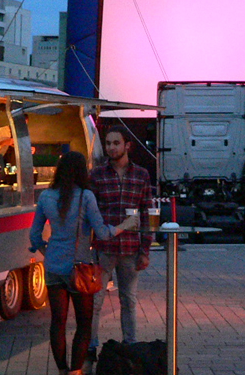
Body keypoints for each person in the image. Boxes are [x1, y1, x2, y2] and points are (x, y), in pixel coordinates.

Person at [29, 151, 138, 375]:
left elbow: (34, 235)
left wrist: (46, 251)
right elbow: (102, 232)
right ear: (81, 171)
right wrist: (126, 224)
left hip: (53, 268)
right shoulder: (86, 196)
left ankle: (61, 369)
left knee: (57, 322)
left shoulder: (45, 197)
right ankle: (76, 371)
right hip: (79, 269)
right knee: (84, 323)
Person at [86, 125, 153, 373]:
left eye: (116, 143)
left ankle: (131, 346)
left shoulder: (142, 175)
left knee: (129, 300)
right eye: (108, 143)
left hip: (131, 248)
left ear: (127, 146)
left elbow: (147, 212)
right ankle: (91, 345)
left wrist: (145, 249)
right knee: (95, 301)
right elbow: (90, 214)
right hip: (103, 247)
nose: (111, 147)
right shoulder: (98, 175)